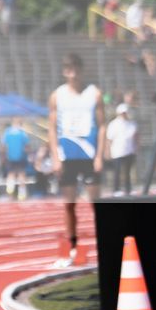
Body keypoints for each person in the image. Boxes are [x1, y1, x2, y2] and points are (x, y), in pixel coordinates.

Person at [49, 51, 106, 265]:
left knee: (96, 204)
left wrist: (100, 155)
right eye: (68, 70)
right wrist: (55, 157)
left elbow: (102, 126)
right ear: (64, 72)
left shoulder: (94, 93)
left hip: (89, 155)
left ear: (81, 70)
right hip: (68, 156)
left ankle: (103, 244)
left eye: (75, 69)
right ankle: (72, 246)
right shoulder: (57, 95)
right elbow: (52, 129)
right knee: (69, 204)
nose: (72, 74)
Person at [105, 100, 137, 195]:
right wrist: (107, 151)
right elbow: (109, 139)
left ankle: (128, 189)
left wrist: (136, 148)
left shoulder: (132, 123)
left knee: (127, 172)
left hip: (129, 151)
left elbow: (135, 136)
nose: (124, 114)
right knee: (117, 172)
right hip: (117, 151)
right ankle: (116, 189)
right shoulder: (113, 124)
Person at [1, 118, 31, 199]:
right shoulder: (22, 133)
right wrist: (29, 154)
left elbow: (3, 146)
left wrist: (3, 156)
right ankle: (22, 193)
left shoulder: (7, 132)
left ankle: (10, 190)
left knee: (11, 173)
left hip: (10, 156)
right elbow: (27, 145)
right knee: (21, 174)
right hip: (20, 156)